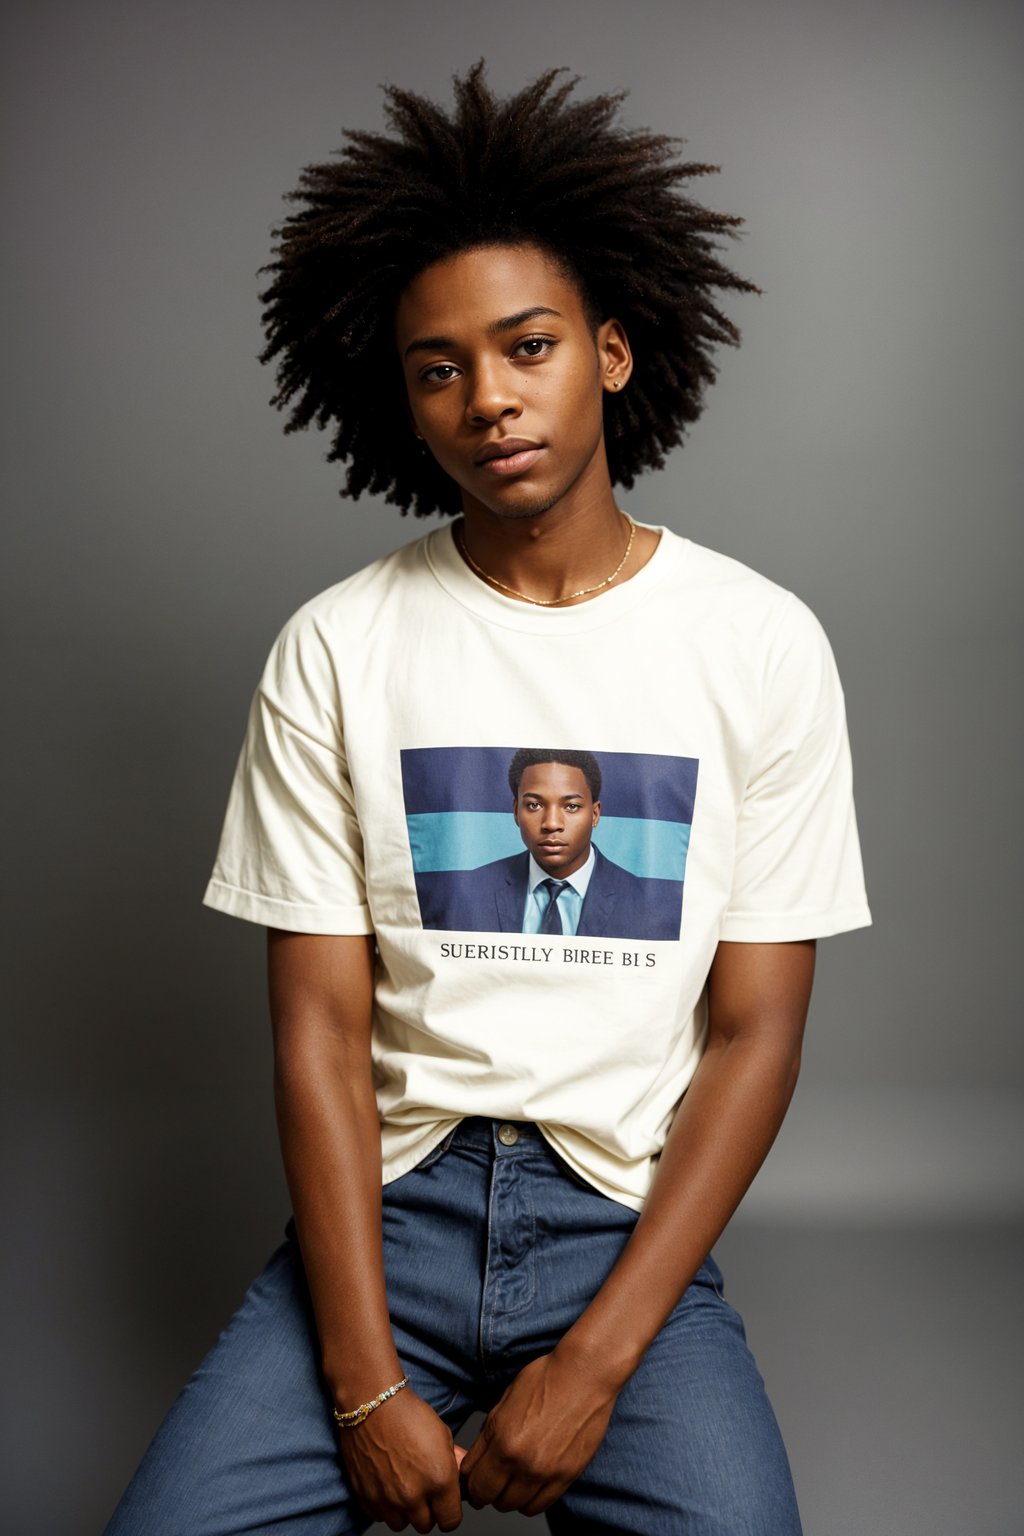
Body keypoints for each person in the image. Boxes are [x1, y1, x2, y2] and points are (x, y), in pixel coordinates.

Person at [106, 63, 871, 1536]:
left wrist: (595, 1361)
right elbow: (320, 1034)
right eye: (438, 367)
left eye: (527, 347)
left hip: (617, 1227)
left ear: (616, 353)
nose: (489, 399)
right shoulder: (339, 647)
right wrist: (362, 1384)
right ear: (399, 401)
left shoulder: (759, 642)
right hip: (384, 1215)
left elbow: (758, 1030)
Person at [415, 748, 681, 939]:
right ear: (516, 811)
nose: (552, 823)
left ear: (595, 814)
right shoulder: (468, 892)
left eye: (572, 806)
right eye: (534, 805)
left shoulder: (645, 901)